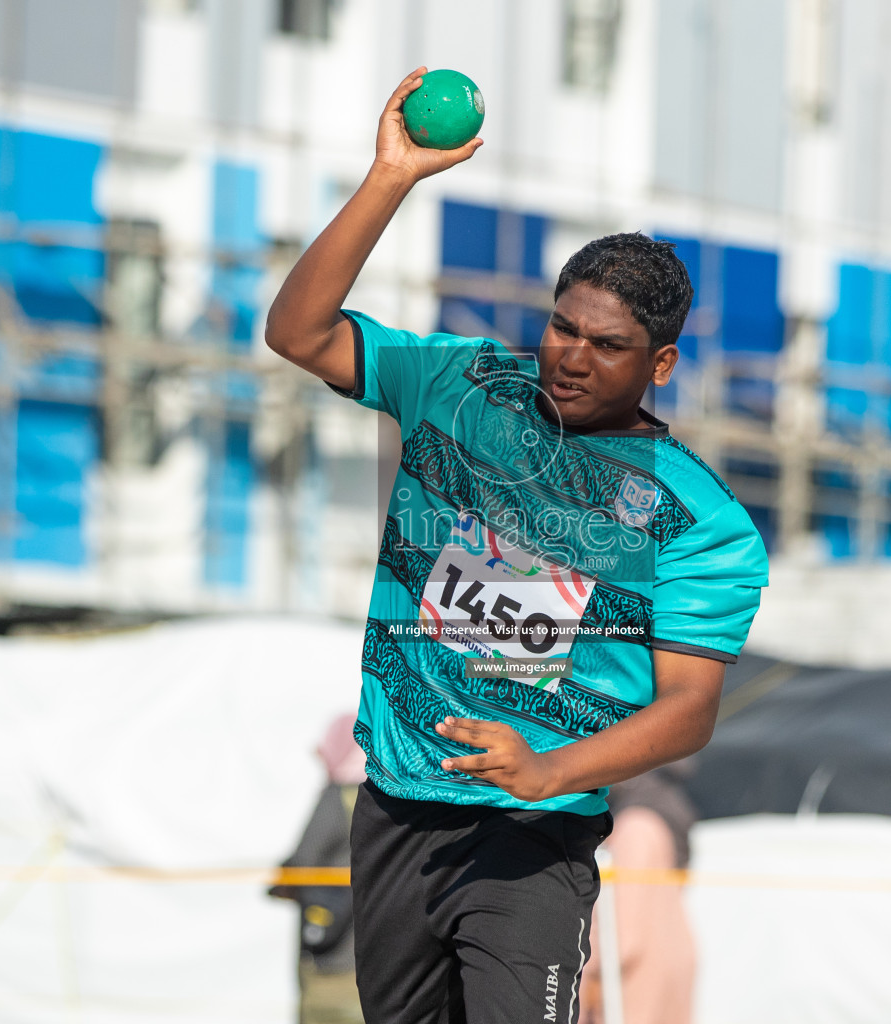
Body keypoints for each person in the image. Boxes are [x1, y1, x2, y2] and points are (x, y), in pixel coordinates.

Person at [264, 67, 768, 1024]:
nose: (570, 356)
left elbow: (690, 712)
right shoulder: (460, 386)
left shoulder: (703, 523)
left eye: (606, 345)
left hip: (532, 838)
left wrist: (548, 772)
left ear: (659, 363)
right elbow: (298, 331)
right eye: (561, 327)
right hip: (399, 809)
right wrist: (390, 179)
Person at [577, 764, 701, 1024]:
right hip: (662, 983)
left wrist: (571, 973)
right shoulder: (659, 820)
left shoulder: (638, 827)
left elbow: (621, 941)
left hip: (634, 996)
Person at [270, 714, 369, 1024]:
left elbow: (304, 860)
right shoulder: (389, 794)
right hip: (373, 952)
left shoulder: (340, 794)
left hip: (331, 956)